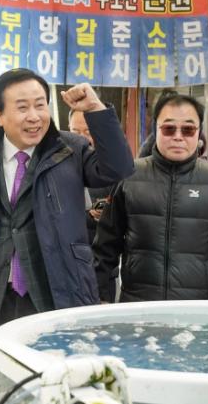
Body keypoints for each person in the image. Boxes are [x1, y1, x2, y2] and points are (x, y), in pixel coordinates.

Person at [0, 68, 134, 328]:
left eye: (40, 105)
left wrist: (96, 109)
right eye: (22, 107)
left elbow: (119, 169)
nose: (34, 116)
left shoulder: (70, 150)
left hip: (58, 297)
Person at [94, 94, 208, 303]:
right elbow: (105, 247)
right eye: (168, 129)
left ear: (199, 132)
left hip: (195, 308)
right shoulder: (129, 176)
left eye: (188, 129)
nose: (178, 137)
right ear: (156, 129)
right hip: (138, 306)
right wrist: (100, 298)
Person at [68, 108, 116, 300]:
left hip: (102, 273)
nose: (82, 138)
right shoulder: (56, 168)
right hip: (66, 272)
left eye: (88, 132)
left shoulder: (113, 170)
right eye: (75, 131)